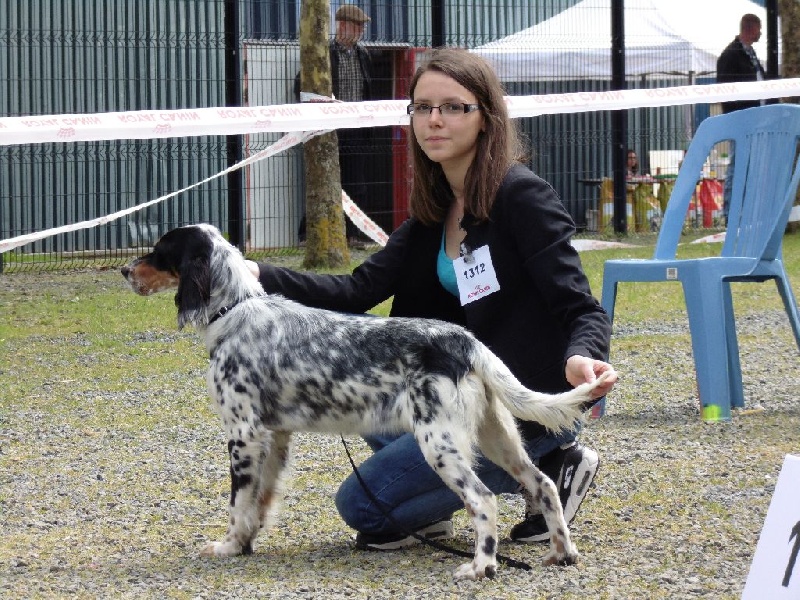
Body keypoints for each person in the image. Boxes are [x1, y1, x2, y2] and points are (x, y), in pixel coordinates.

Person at [248, 47, 617, 549]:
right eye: (422, 108)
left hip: (522, 403)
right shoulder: (433, 211)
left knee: (363, 509)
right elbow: (357, 292)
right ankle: (505, 481)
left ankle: (549, 458)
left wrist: (583, 357)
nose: (434, 121)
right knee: (370, 397)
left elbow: (581, 306)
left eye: (452, 107)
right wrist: (255, 272)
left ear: (485, 117)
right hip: (457, 394)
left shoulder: (522, 197)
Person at [296, 4, 375, 248]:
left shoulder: (364, 55)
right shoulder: (324, 53)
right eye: (357, 26)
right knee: (324, 181)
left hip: (357, 128)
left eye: (362, 27)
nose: (361, 31)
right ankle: (307, 235)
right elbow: (302, 84)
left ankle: (352, 235)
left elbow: (368, 89)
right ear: (342, 26)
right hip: (330, 127)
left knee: (357, 184)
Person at [716, 13, 766, 219]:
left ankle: (748, 212)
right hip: (743, 121)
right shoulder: (731, 55)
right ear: (751, 28)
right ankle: (730, 213)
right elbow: (726, 91)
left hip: (757, 120)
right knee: (738, 167)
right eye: (759, 28)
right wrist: (736, 118)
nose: (761, 33)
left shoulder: (750, 54)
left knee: (752, 167)